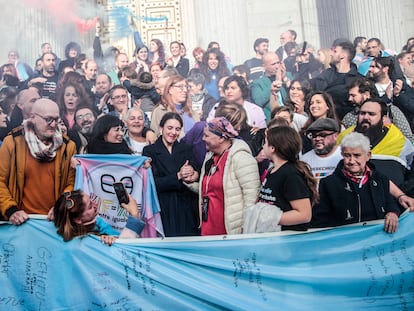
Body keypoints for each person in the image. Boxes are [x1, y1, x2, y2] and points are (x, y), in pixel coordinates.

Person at [0, 98, 76, 224]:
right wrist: (11, 210)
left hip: (54, 222)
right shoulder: (13, 142)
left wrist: (61, 206)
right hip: (20, 222)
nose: (53, 124)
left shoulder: (68, 146)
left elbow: (71, 183)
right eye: (48, 119)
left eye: (56, 119)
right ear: (33, 117)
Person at [312, 132, 400, 233]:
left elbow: (390, 203)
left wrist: (393, 213)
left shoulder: (381, 179)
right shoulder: (328, 183)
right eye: (347, 155)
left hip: (377, 240)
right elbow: (320, 219)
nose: (352, 161)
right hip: (345, 242)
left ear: (368, 155)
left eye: (357, 155)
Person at [199, 116, 260, 235]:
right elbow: (209, 188)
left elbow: (252, 197)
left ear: (221, 138)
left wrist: (245, 228)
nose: (202, 139)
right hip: (208, 227)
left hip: (230, 230)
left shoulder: (241, 158)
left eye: (206, 136)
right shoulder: (210, 157)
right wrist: (190, 181)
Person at [143, 112, 200, 237]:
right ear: (161, 128)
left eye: (177, 129)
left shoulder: (186, 149)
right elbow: (152, 183)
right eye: (170, 128)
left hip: (186, 208)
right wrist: (178, 176)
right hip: (163, 207)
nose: (173, 132)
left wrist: (193, 174)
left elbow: (198, 173)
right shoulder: (149, 151)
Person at [338, 98, 414, 187]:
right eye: (362, 113)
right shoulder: (344, 138)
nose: (366, 117)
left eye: (371, 114)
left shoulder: (400, 142)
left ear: (384, 119)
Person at [257, 126, 317, 231]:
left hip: (289, 238)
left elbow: (304, 215)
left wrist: (270, 218)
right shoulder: (272, 170)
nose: (263, 146)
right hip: (273, 235)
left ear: (272, 148)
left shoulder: (291, 174)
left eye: (265, 143)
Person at [52, 190, 145, 245]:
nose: (96, 204)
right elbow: (125, 252)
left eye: (92, 200)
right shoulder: (89, 243)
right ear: (78, 220)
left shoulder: (97, 225)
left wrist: (115, 239)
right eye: (90, 206)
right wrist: (134, 215)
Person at [343, 77, 413, 142]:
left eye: (353, 95)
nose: (350, 99)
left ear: (366, 95)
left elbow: (407, 137)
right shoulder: (349, 118)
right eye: (363, 113)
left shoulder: (391, 111)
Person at [311, 39, 363, 119]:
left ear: (343, 55)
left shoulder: (359, 80)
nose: (331, 54)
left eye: (334, 51)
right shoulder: (324, 76)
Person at [300, 118, 342, 184]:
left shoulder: (344, 156)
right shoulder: (304, 160)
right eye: (314, 135)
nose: (317, 139)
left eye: (322, 135)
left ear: (336, 136)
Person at [250, 51, 290, 121]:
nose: (277, 66)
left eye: (278, 63)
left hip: (288, 117)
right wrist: (275, 83)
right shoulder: (257, 83)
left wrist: (285, 80)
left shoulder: (288, 76)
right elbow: (258, 101)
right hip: (272, 120)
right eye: (273, 64)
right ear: (264, 67)